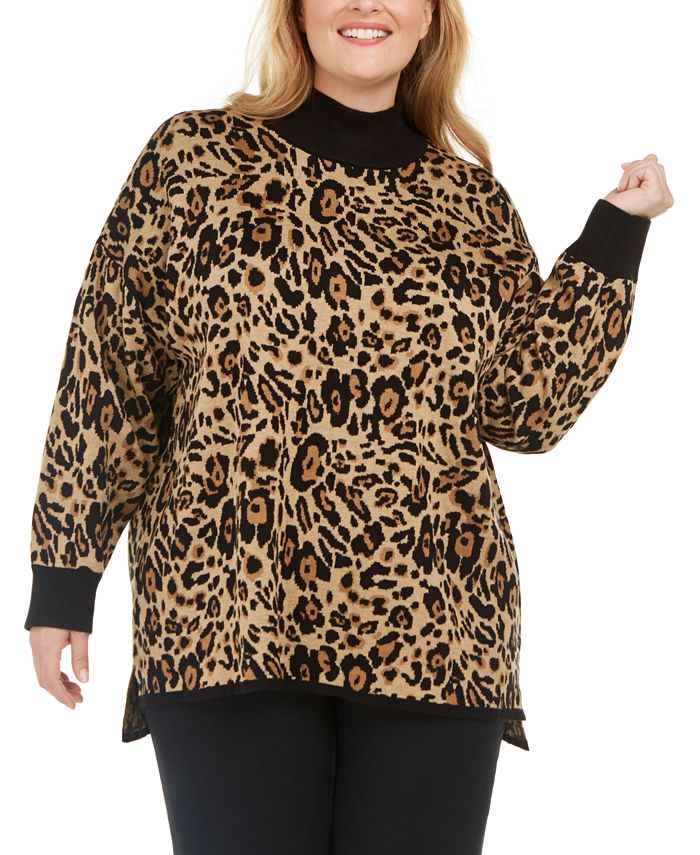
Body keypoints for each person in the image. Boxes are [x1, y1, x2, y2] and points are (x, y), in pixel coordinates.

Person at [24, 1, 673, 853]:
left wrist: (617, 232)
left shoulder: (471, 202)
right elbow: (110, 367)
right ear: (296, 10)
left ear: (430, 16)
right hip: (229, 615)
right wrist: (64, 577)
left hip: (437, 630)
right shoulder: (194, 158)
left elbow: (525, 410)